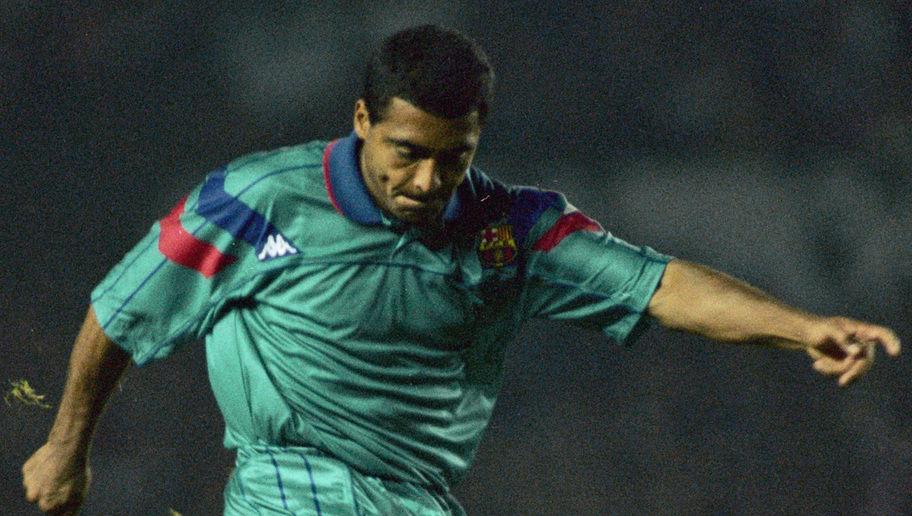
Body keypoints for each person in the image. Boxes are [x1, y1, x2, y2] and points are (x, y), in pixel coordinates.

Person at [22, 24, 900, 515]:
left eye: (454, 157)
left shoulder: (511, 231)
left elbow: (660, 284)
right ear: (363, 118)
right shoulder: (256, 200)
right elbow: (120, 313)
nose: (428, 181)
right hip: (289, 489)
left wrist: (800, 328)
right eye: (407, 153)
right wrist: (66, 448)